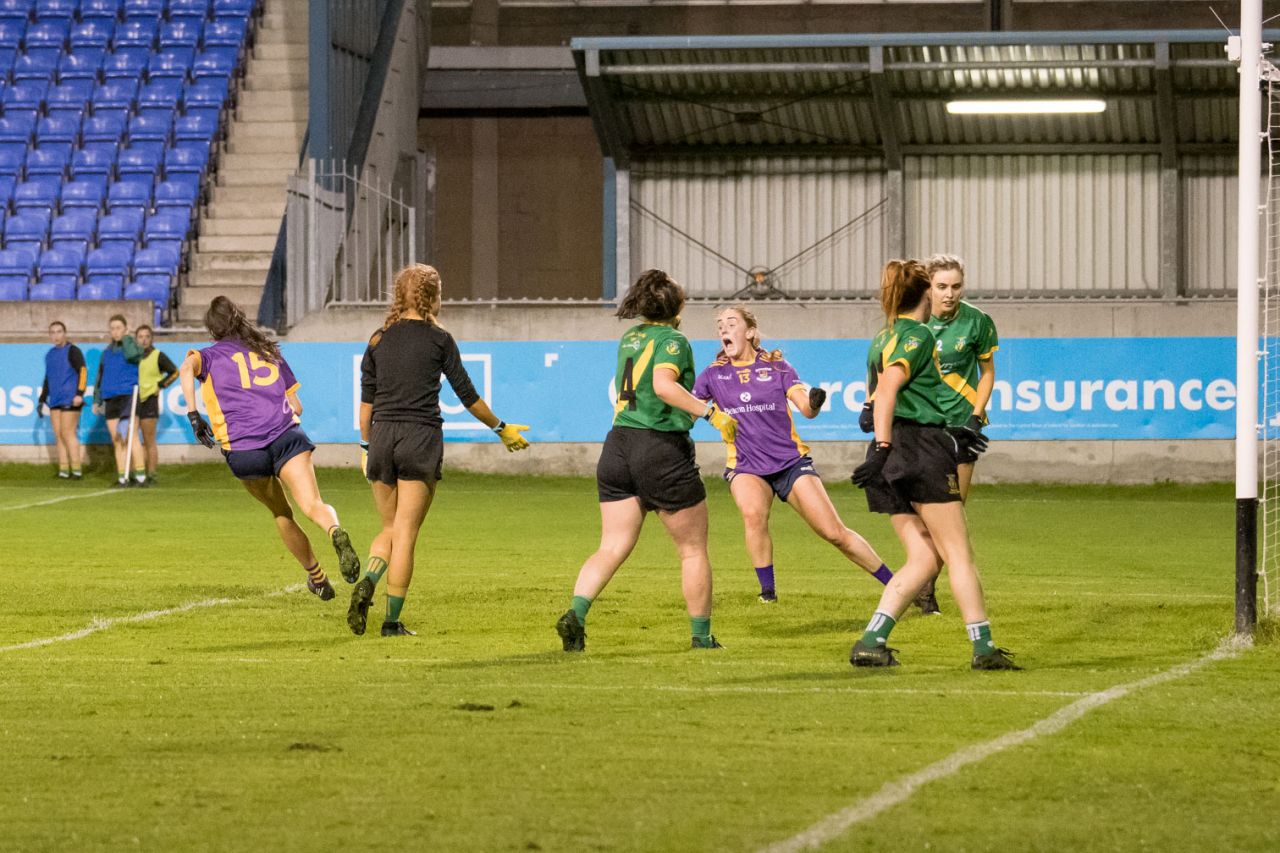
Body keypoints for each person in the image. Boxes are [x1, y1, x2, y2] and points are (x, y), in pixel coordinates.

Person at [556, 269, 738, 652]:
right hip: (659, 449)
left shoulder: (630, 337)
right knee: (692, 550)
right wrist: (711, 414)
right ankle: (702, 637)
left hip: (617, 448)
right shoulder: (674, 340)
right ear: (676, 307)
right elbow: (662, 385)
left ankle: (576, 611)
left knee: (611, 546)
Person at [849, 259, 1017, 671]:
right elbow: (888, 389)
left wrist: (879, 444)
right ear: (926, 293)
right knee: (958, 553)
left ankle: (872, 640)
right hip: (918, 449)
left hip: (893, 454)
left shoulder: (881, 337)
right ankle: (983, 648)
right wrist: (886, 445)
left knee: (925, 558)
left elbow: (873, 399)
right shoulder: (918, 334)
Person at [348, 264, 531, 638]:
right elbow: (468, 396)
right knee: (407, 533)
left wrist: (366, 446)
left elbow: (365, 408)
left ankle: (369, 579)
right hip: (419, 438)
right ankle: (391, 621)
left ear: (399, 294)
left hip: (382, 437)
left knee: (389, 527)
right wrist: (500, 428)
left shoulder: (378, 339)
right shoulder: (439, 340)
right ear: (433, 296)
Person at [692, 305, 896, 603]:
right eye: (719, 324)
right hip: (746, 465)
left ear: (750, 332)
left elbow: (806, 410)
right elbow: (689, 404)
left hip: (790, 463)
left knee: (833, 532)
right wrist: (706, 413)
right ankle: (768, 594)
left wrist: (814, 402)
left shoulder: (777, 367)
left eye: (731, 323)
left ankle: (897, 584)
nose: (723, 328)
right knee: (753, 515)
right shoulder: (713, 374)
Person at [180, 296, 361, 602]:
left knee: (282, 512)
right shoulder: (269, 351)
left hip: (244, 449)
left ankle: (317, 578)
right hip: (286, 436)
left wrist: (194, 414)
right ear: (239, 319)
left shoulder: (206, 357)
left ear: (212, 330)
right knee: (313, 504)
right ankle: (334, 531)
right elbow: (297, 406)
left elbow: (186, 369)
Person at [910, 254, 999, 615]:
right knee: (925, 518)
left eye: (956, 286)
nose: (950, 294)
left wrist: (975, 419)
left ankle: (924, 588)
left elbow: (988, 371)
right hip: (924, 430)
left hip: (961, 428)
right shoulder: (913, 322)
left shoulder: (978, 321)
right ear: (928, 287)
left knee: (953, 514)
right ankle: (922, 584)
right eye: (942, 286)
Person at [92, 314, 146, 487]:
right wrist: (96, 399)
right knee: (117, 439)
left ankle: (140, 477)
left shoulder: (131, 346)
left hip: (128, 396)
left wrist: (127, 339)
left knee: (131, 436)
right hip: (111, 398)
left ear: (125, 329)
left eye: (118, 328)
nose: (115, 331)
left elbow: (133, 356)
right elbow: (100, 376)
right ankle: (123, 477)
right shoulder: (106, 353)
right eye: (112, 328)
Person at [38, 320, 86, 480]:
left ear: (65, 333)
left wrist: (79, 393)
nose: (56, 335)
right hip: (55, 400)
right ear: (49, 335)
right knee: (58, 435)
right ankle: (64, 470)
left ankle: (77, 469)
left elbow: (83, 372)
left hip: (70, 398)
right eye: (53, 332)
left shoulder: (73, 351)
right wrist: (42, 398)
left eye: (59, 332)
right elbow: (48, 378)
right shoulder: (50, 355)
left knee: (68, 433)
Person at [134, 324, 179, 483]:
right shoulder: (132, 357)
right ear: (136, 339)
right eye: (140, 337)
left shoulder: (158, 355)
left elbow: (175, 372)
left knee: (148, 440)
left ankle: (151, 474)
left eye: (147, 336)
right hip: (133, 400)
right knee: (133, 440)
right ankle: (138, 473)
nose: (144, 340)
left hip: (149, 400)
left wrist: (160, 385)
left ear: (151, 338)